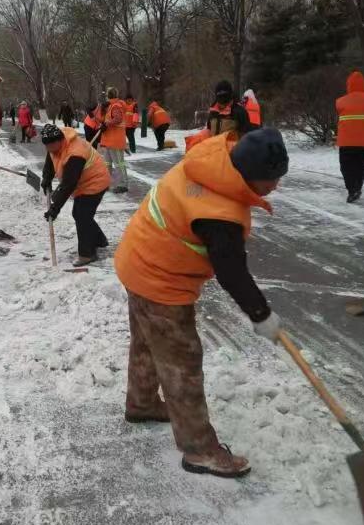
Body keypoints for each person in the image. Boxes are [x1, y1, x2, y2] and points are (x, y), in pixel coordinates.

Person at [114, 128, 289, 478]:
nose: (275, 186)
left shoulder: (211, 162)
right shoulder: (218, 213)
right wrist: (261, 314)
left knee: (148, 341)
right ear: (247, 174)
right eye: (270, 180)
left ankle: (143, 403)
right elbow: (232, 272)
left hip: (137, 259)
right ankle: (199, 450)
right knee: (183, 361)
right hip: (159, 277)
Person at [41, 124, 111, 266]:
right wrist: (46, 178)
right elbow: (50, 158)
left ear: (59, 141)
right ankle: (99, 240)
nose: (49, 150)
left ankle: (87, 254)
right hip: (84, 181)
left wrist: (55, 208)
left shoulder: (75, 154)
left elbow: (68, 184)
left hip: (95, 182)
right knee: (81, 214)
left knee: (82, 215)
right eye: (46, 146)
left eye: (51, 146)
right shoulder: (55, 144)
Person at [335, 71, 364, 204]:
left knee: (346, 167)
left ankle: (352, 190)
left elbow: (337, 119)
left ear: (349, 85)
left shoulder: (340, 101)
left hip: (346, 141)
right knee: (360, 166)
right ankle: (357, 188)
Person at [95, 87, 129, 194]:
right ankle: (106, 184)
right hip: (108, 140)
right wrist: (101, 111)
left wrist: (107, 124)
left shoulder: (116, 106)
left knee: (119, 163)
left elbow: (117, 119)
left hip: (116, 141)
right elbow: (102, 119)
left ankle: (123, 184)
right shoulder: (109, 106)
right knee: (107, 164)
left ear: (109, 95)